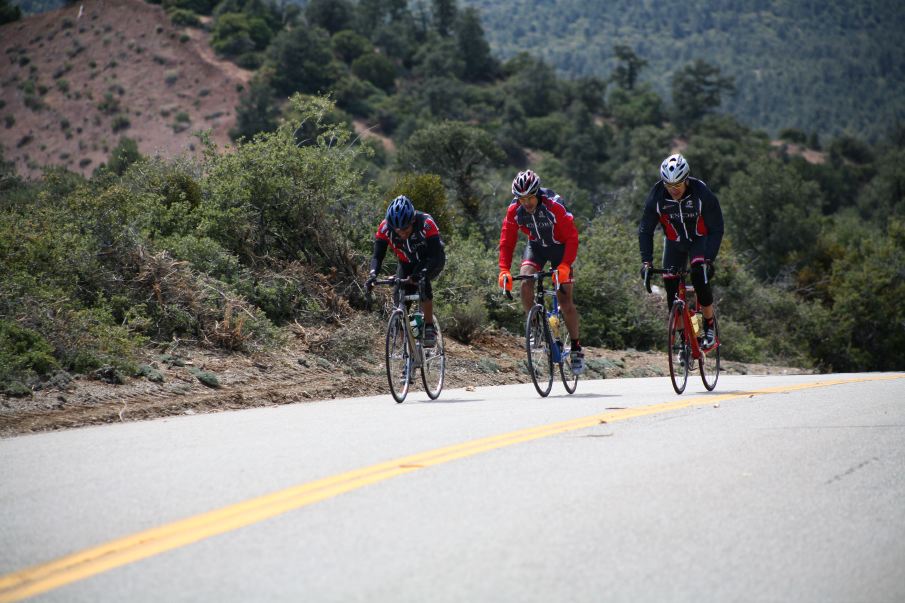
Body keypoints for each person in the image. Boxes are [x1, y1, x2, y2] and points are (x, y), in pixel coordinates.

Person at [498, 169, 584, 374]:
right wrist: (503, 270)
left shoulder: (554, 205)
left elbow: (572, 237)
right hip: (536, 246)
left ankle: (576, 347)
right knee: (526, 280)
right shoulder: (514, 210)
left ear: (537, 193)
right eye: (521, 199)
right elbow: (506, 242)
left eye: (529, 198)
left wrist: (564, 266)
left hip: (561, 248)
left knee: (565, 301)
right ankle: (537, 327)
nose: (526, 203)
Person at [638, 153, 724, 351]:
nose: (673, 189)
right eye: (668, 185)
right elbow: (645, 230)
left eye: (677, 185)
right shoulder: (657, 196)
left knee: (698, 274)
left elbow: (717, 227)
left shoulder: (701, 193)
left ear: (686, 180)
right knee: (671, 289)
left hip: (699, 240)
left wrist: (709, 260)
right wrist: (646, 262)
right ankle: (684, 341)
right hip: (674, 242)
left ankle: (709, 325)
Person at [366, 195, 446, 347]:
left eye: (405, 228)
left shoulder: (426, 223)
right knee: (399, 296)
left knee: (422, 281)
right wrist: (372, 274)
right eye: (397, 230)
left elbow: (435, 255)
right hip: (406, 263)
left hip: (431, 259)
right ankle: (407, 351)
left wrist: (421, 273)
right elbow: (377, 255)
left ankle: (429, 327)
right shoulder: (385, 228)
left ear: (413, 221)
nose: (401, 232)